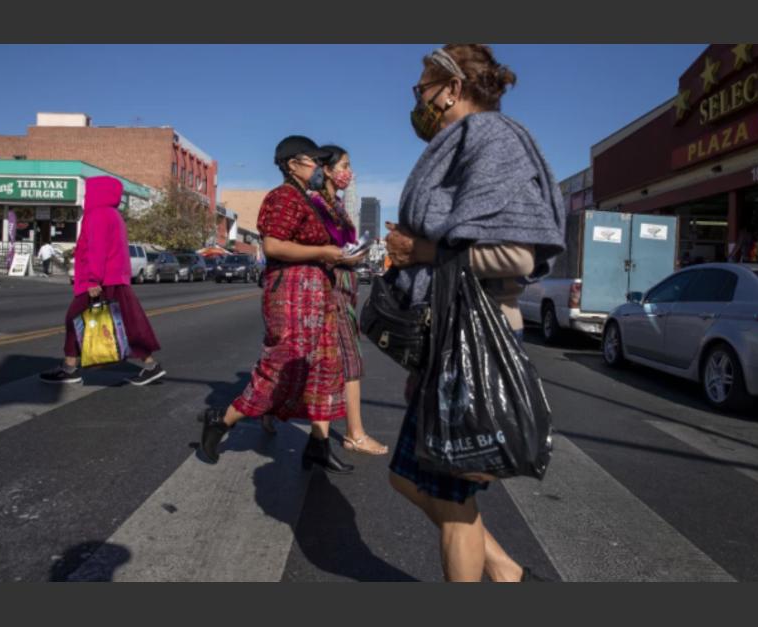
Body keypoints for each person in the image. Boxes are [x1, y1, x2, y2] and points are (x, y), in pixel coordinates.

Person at [384, 44, 565, 582]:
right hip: (447, 336)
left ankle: (504, 579)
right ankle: (509, 575)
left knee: (452, 497)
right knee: (410, 478)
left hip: (477, 340)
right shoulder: (462, 144)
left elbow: (518, 256)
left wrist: (423, 252)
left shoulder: (493, 140)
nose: (418, 100)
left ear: (452, 89)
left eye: (422, 89)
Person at [200, 136, 365, 472]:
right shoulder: (282, 196)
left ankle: (317, 446)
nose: (319, 167)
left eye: (322, 162)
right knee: (282, 365)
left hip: (319, 291)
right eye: (313, 161)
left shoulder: (310, 199)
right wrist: (323, 252)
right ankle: (221, 419)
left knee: (324, 367)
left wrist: (342, 257)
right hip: (290, 293)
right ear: (292, 164)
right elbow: (274, 246)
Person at [295, 144, 388, 455]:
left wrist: (357, 251)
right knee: (348, 360)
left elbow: (344, 245)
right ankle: (354, 433)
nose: (348, 172)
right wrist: (347, 255)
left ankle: (275, 412)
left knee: (315, 361)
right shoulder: (316, 203)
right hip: (329, 290)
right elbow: (324, 247)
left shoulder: (335, 204)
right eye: (344, 165)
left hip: (344, 289)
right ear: (327, 169)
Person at [40, 176, 165, 386]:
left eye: (88, 193)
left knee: (75, 319)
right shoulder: (113, 215)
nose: (85, 198)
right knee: (127, 323)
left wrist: (92, 280)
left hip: (101, 282)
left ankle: (70, 368)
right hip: (115, 279)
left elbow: (97, 251)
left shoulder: (97, 215)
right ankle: (150, 366)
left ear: (97, 193)